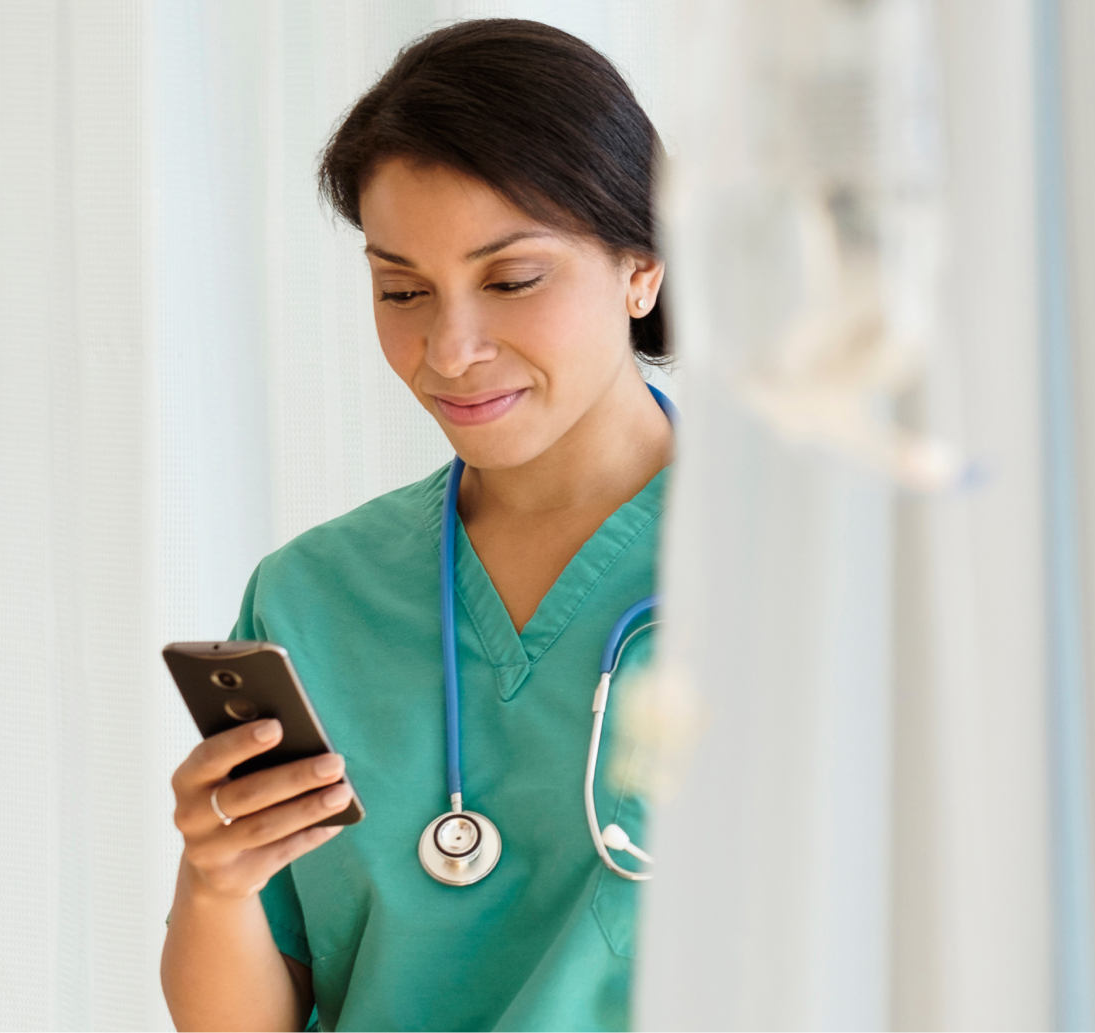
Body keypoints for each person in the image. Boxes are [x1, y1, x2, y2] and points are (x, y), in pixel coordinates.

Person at [158, 20, 673, 1031]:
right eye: (402, 290)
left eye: (513, 280)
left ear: (640, 268)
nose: (449, 349)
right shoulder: (314, 595)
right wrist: (216, 880)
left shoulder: (788, 571)